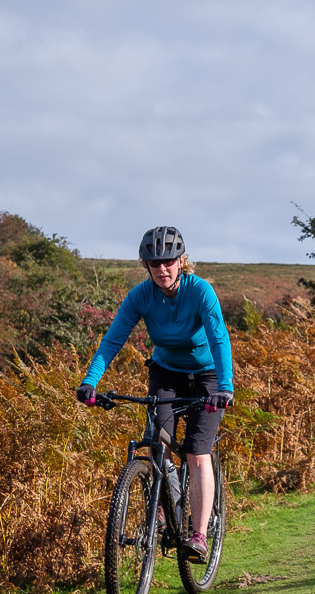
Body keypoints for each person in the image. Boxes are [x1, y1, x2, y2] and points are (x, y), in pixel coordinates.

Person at [77, 226, 234, 561]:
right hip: (166, 373)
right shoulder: (141, 296)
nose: (162, 269)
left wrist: (225, 387)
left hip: (206, 377)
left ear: (181, 261)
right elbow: (112, 340)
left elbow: (219, 339)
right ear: (145, 266)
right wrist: (90, 382)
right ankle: (162, 509)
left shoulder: (200, 291)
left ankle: (199, 534)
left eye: (168, 262)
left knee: (196, 451)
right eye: (154, 264)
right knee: (156, 442)